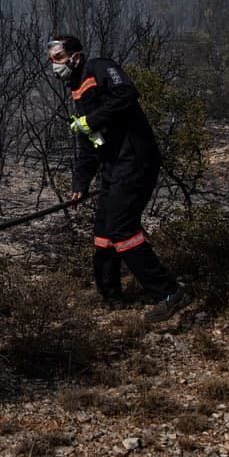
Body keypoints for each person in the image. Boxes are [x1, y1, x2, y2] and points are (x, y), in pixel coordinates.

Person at [46, 36, 191, 322]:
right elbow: (90, 144)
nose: (54, 66)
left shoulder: (99, 68)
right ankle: (109, 293)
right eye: (51, 60)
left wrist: (93, 119)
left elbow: (126, 93)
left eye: (59, 57)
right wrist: (80, 183)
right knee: (103, 230)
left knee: (122, 229)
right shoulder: (76, 93)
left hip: (136, 158)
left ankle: (170, 292)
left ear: (76, 56)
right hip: (113, 165)